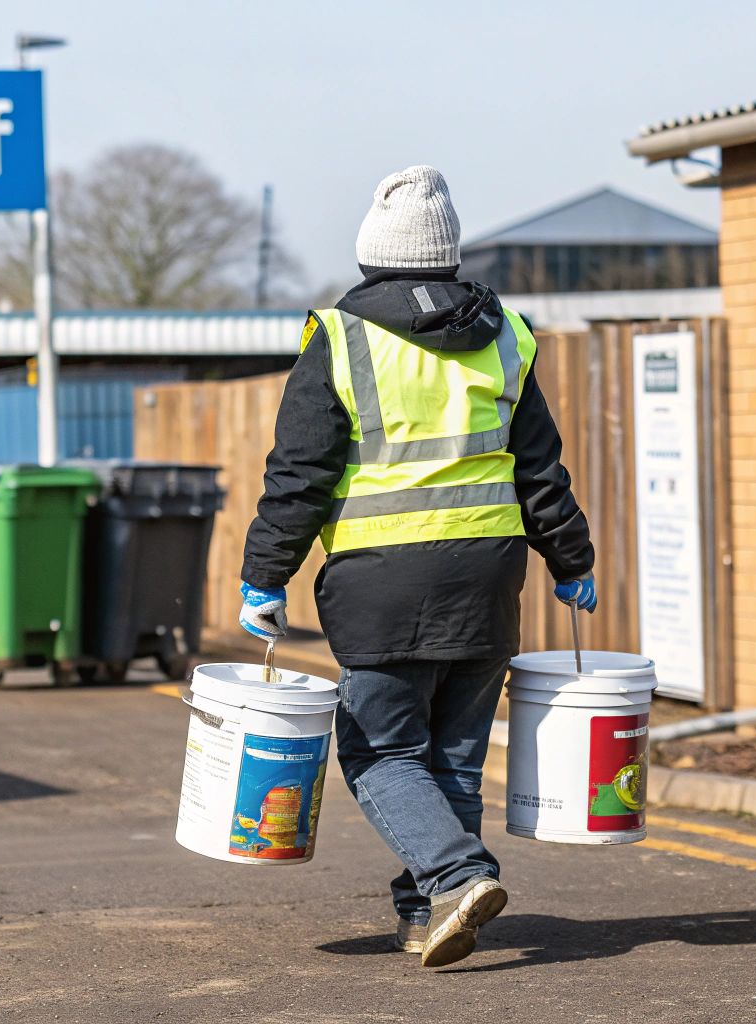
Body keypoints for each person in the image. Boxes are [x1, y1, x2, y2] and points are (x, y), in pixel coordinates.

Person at [237, 166, 596, 969]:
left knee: (379, 752)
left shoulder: (341, 337)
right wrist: (571, 560)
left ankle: (458, 872)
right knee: (453, 759)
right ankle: (424, 913)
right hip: (487, 575)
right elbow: (540, 472)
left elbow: (299, 476)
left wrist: (266, 575)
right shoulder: (507, 335)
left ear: (373, 253)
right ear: (447, 252)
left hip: (382, 582)